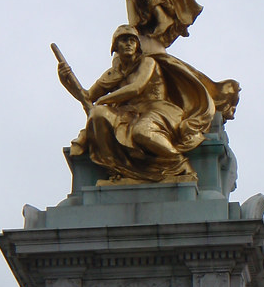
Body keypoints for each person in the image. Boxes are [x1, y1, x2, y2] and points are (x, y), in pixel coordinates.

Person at [58, 25, 239, 183]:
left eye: (131, 40)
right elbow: (87, 96)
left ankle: (180, 164)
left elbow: (136, 88)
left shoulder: (147, 61)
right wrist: (66, 81)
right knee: (97, 115)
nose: (128, 43)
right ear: (115, 47)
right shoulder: (114, 72)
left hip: (159, 110)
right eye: (123, 40)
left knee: (142, 132)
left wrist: (104, 100)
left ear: (137, 45)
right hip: (130, 113)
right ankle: (118, 169)